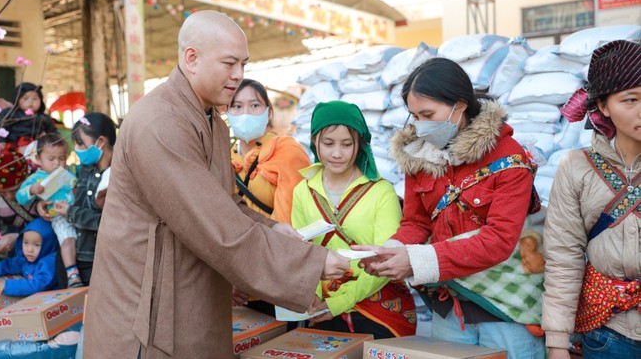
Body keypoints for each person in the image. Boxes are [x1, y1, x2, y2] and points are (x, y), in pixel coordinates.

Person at [83, 10, 350, 358]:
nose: (239, 75)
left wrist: (273, 228)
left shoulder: (212, 121)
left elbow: (224, 201)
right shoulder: (159, 123)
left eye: (243, 64)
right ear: (191, 58)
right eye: (229, 63)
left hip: (189, 295)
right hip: (146, 312)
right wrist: (308, 263)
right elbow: (213, 223)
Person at [355, 57, 545, 358]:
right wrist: (390, 251)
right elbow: (417, 222)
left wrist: (416, 261)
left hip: (503, 306)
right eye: (414, 116)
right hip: (450, 301)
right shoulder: (419, 156)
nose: (420, 126)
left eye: (428, 114)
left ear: (460, 106)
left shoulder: (508, 158)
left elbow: (499, 239)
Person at [542, 40, 641, 359]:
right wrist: (558, 342)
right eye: (631, 100)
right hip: (609, 335)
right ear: (603, 106)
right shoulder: (577, 167)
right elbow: (564, 257)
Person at [293, 100, 416, 339]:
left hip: (376, 304)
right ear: (314, 141)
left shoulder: (381, 192)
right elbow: (302, 250)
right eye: (328, 143)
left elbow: (384, 258)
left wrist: (339, 303)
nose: (337, 153)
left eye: (347, 144)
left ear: (359, 143)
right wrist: (313, 296)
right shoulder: (302, 191)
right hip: (320, 303)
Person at [36, 113, 116, 287]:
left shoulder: (117, 176)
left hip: (98, 261)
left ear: (100, 142)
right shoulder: (82, 169)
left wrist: (71, 213)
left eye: (81, 143)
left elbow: (111, 222)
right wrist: (43, 204)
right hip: (70, 258)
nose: (77, 149)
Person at [228, 78, 310, 223]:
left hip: (274, 236)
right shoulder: (225, 157)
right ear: (228, 112)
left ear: (269, 113)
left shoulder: (288, 151)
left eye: (254, 105)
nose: (245, 114)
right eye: (237, 106)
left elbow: (289, 218)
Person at [16, 133, 80, 287]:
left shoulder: (71, 170)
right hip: (59, 216)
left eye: (62, 158)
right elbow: (20, 197)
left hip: (78, 212)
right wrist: (32, 190)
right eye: (51, 159)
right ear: (39, 159)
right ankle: (72, 274)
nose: (57, 163)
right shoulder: (36, 178)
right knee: (67, 239)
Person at [0, 217, 58, 297]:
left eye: (36, 245)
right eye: (26, 243)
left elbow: (38, 285)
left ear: (48, 245)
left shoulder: (50, 262)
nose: (29, 249)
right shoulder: (25, 258)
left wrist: (6, 285)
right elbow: (8, 265)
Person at [0, 82, 57, 155]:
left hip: (37, 150)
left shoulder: (43, 118)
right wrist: (1, 141)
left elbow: (54, 133)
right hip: (13, 148)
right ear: (17, 99)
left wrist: (47, 137)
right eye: (25, 98)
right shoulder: (9, 114)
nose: (30, 102)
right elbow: (1, 128)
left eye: (35, 99)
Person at [0, 147, 34, 256]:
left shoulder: (36, 191)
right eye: (3, 193)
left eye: (14, 190)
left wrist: (19, 237)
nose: (9, 196)